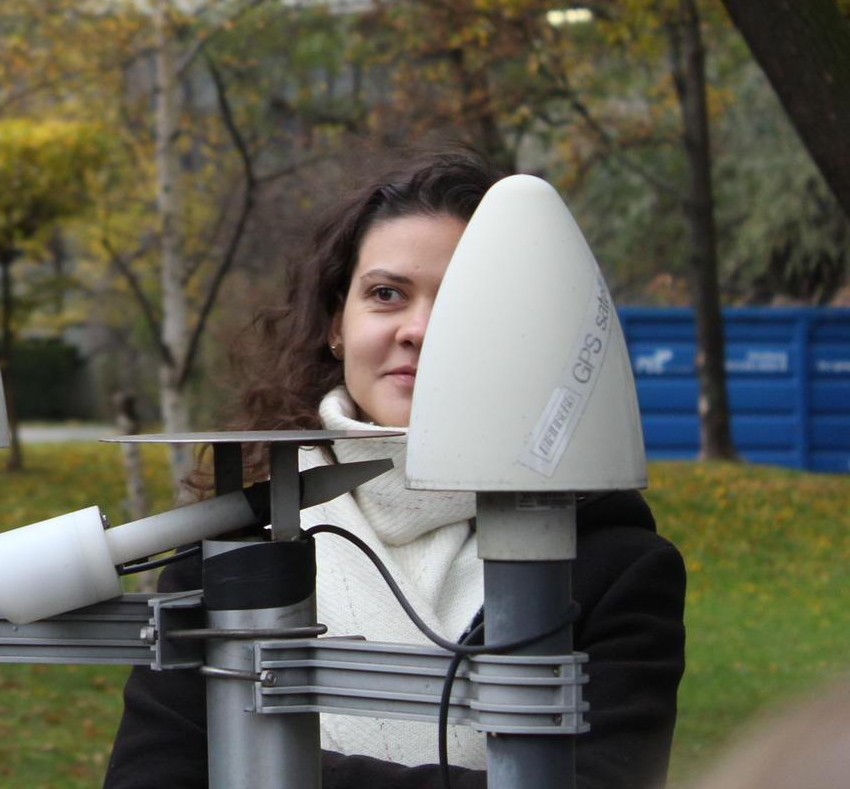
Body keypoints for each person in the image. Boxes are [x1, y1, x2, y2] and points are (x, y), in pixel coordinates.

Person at [102, 149, 686, 789]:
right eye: (386, 294)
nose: (420, 330)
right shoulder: (233, 544)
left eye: (464, 301)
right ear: (336, 324)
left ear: (525, 335)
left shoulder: (618, 567)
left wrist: (273, 771)